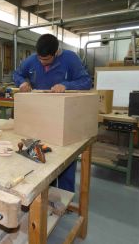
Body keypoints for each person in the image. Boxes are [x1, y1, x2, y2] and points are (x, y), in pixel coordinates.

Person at [13, 34, 92, 192]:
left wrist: (66, 85)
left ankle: (63, 195)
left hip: (63, 118)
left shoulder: (70, 59)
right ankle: (43, 193)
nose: (42, 63)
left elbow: (86, 81)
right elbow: (17, 74)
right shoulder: (32, 60)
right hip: (38, 117)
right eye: (40, 59)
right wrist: (22, 82)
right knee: (38, 157)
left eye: (46, 60)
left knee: (64, 158)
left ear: (56, 52)